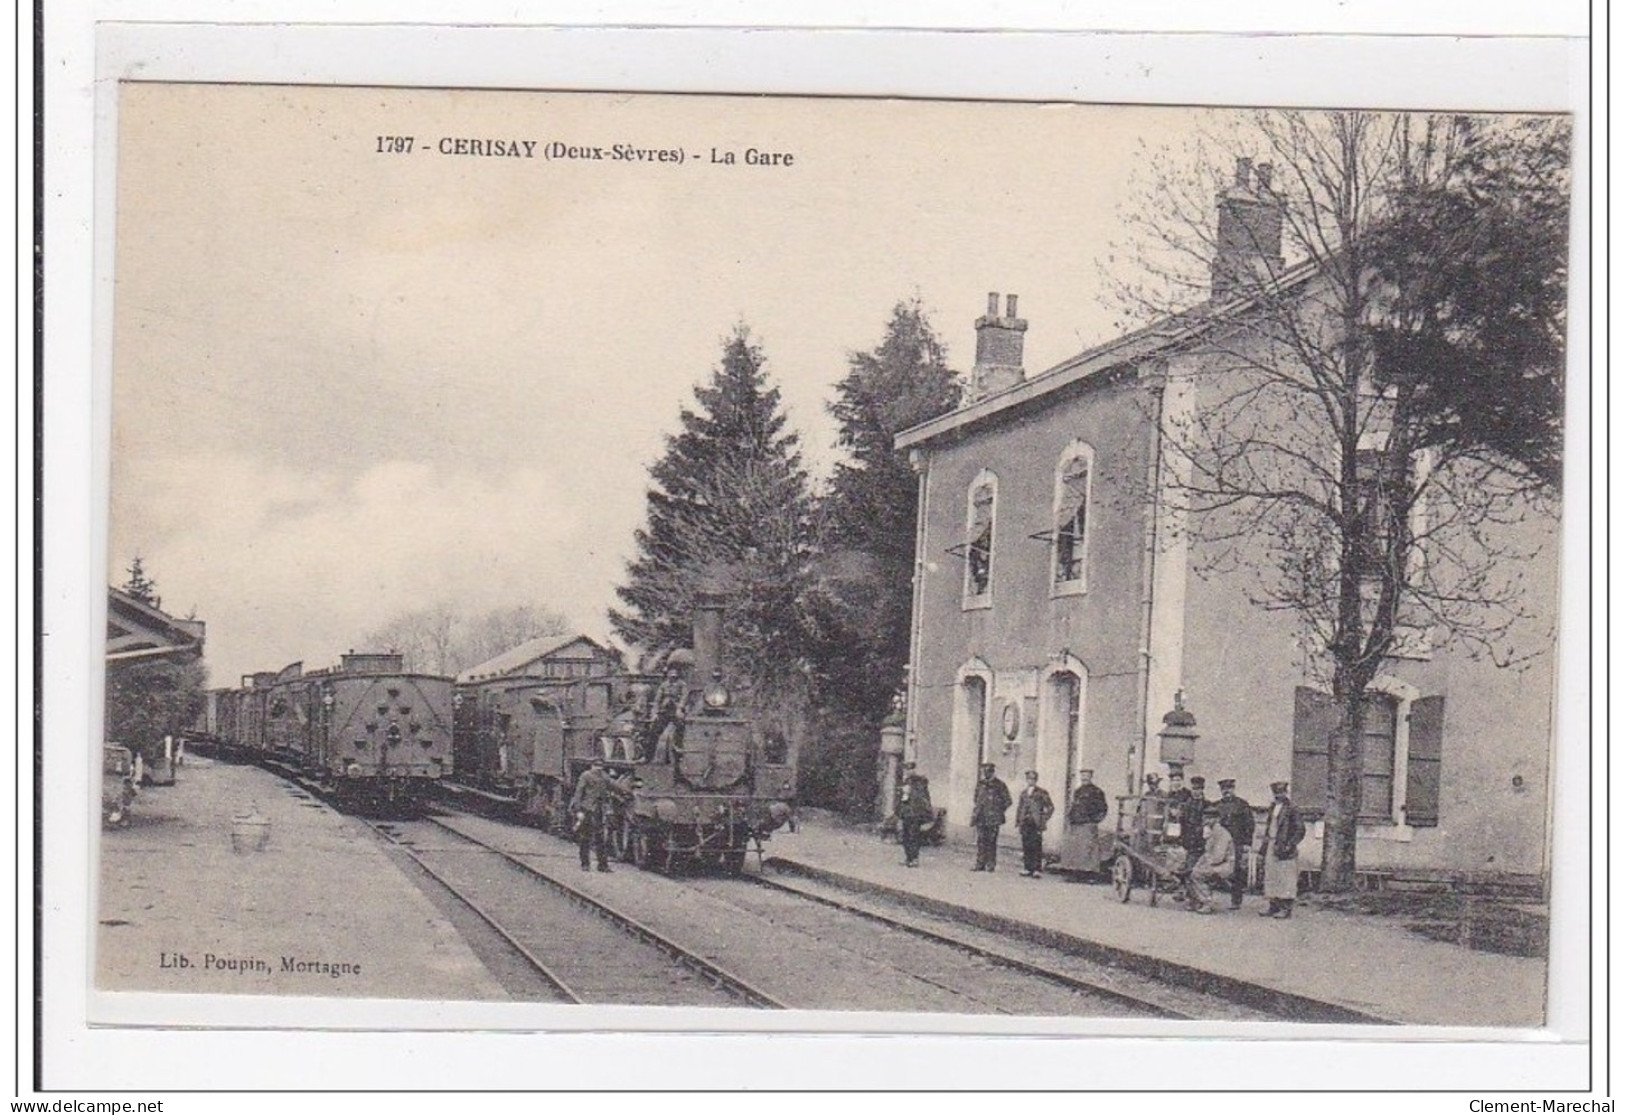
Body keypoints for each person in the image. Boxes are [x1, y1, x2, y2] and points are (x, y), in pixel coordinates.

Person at [570, 758, 630, 872]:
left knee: (600, 839)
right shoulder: (585, 776)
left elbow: (615, 786)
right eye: (596, 765)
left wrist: (627, 792)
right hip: (587, 809)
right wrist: (578, 810)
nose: (598, 768)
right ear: (592, 766)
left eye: (600, 766)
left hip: (598, 810)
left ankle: (602, 865)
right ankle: (585, 864)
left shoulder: (604, 776)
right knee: (585, 838)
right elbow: (579, 793)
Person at [1260, 780, 1307, 918]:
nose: (1278, 795)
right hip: (1272, 844)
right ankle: (1273, 906)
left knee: (1286, 877)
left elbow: (1300, 829)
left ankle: (1286, 909)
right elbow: (1269, 826)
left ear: (1286, 792)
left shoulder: (1292, 808)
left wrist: (1290, 844)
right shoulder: (1272, 807)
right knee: (1271, 876)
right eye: (1276, 793)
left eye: (1281, 792)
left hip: (1284, 846)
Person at [1213, 778, 1256, 909]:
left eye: (1229, 788)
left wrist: (1247, 843)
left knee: (1237, 871)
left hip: (1236, 842)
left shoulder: (1242, 805)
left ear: (1233, 789)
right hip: (1220, 844)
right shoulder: (1216, 806)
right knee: (1216, 868)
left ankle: (1236, 900)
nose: (1227, 791)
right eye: (1224, 789)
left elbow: (1250, 825)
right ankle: (1210, 898)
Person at [1061, 769, 1110, 880]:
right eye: (1082, 776)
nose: (1084, 778)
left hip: (1088, 824)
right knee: (1076, 849)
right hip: (1076, 823)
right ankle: (1076, 874)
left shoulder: (1097, 792)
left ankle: (1090, 875)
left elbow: (1103, 808)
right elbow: (1074, 806)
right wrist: (1070, 818)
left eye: (1087, 776)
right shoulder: (1078, 791)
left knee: (1089, 850)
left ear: (1091, 777)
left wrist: (1095, 820)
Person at [1183, 815, 1236, 914]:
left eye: (1208, 818)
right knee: (1190, 873)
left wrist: (1204, 865)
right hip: (1216, 864)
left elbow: (1218, 857)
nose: (1205, 821)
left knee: (1196, 874)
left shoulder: (1221, 834)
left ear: (1215, 819)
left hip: (1224, 865)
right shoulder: (1213, 832)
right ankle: (1197, 900)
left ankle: (1207, 902)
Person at [970, 763, 1012, 872]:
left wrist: (997, 810)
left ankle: (990, 864)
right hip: (981, 817)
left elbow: (1007, 801)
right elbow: (976, 798)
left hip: (993, 818)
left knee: (991, 841)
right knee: (981, 841)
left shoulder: (1000, 785)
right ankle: (980, 863)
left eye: (988, 772)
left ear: (992, 772)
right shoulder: (980, 784)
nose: (985, 774)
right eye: (984, 772)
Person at [1015, 770, 1055, 878]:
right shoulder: (1023, 793)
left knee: (1036, 845)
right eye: (1028, 779)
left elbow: (1050, 807)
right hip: (1025, 822)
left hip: (1036, 823)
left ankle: (1037, 869)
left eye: (1032, 779)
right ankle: (1027, 868)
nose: (1030, 781)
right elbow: (1019, 808)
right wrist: (1018, 821)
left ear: (1036, 780)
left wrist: (1044, 819)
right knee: (1026, 845)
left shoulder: (1042, 792)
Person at [898, 769, 934, 868]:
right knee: (906, 837)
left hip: (915, 816)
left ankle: (914, 859)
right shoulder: (907, 788)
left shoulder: (919, 788)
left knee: (913, 837)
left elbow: (923, 803)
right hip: (907, 815)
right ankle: (908, 858)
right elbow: (903, 802)